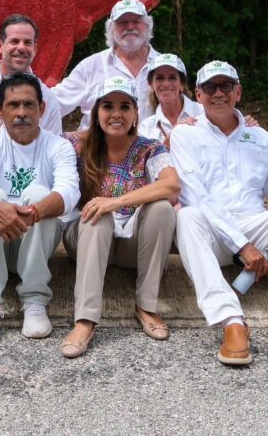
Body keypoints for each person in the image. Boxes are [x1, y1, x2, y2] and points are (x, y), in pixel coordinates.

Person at [171, 61, 268, 367]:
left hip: (254, 225)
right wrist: (242, 245)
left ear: (238, 92)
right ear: (198, 95)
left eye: (226, 86)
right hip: (213, 234)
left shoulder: (260, 137)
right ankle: (232, 320)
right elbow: (196, 198)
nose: (219, 93)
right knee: (187, 217)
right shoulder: (184, 135)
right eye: (210, 88)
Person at [59, 76, 180, 358]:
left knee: (161, 207)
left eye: (125, 106)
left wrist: (116, 202)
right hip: (87, 239)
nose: (116, 114)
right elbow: (32, 140)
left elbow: (172, 185)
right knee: (97, 214)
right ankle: (85, 320)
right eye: (108, 106)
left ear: (136, 113)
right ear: (96, 112)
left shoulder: (150, 148)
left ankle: (147, 306)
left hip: (131, 245)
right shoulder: (74, 144)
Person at [0, 72, 80, 343]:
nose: (22, 112)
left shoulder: (58, 146)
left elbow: (69, 192)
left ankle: (34, 300)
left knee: (40, 195)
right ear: (0, 110)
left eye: (29, 105)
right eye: (13, 105)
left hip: (30, 238)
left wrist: (33, 212)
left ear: (42, 109)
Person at [53, 0, 158, 130]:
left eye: (136, 21)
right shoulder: (91, 66)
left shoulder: (166, 68)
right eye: (122, 22)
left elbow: (182, 109)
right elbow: (55, 102)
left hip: (150, 149)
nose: (130, 27)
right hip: (97, 149)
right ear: (111, 29)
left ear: (148, 26)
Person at [137, 52, 202, 147]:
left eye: (172, 78)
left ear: (182, 84)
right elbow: (144, 161)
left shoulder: (203, 113)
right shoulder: (146, 127)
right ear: (151, 85)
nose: (166, 83)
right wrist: (169, 140)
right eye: (160, 78)